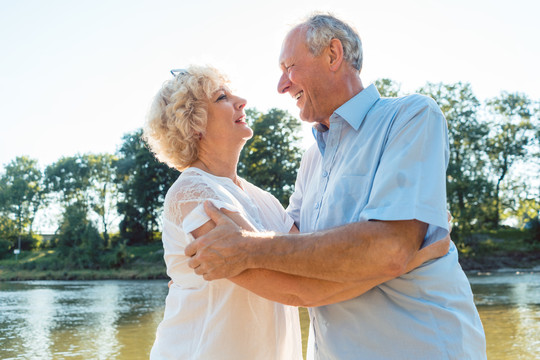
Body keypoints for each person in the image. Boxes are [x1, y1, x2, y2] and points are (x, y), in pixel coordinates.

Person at [185, 14, 487, 359]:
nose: (282, 85)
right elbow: (293, 258)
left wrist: (246, 249)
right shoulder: (311, 160)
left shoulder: (410, 116)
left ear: (333, 55)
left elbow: (388, 250)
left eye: (289, 67)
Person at [145, 65, 449, 359]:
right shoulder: (193, 194)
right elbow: (303, 290)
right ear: (193, 124)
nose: (241, 102)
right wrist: (410, 255)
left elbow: (314, 262)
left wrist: (396, 242)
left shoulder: (261, 198)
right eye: (223, 98)